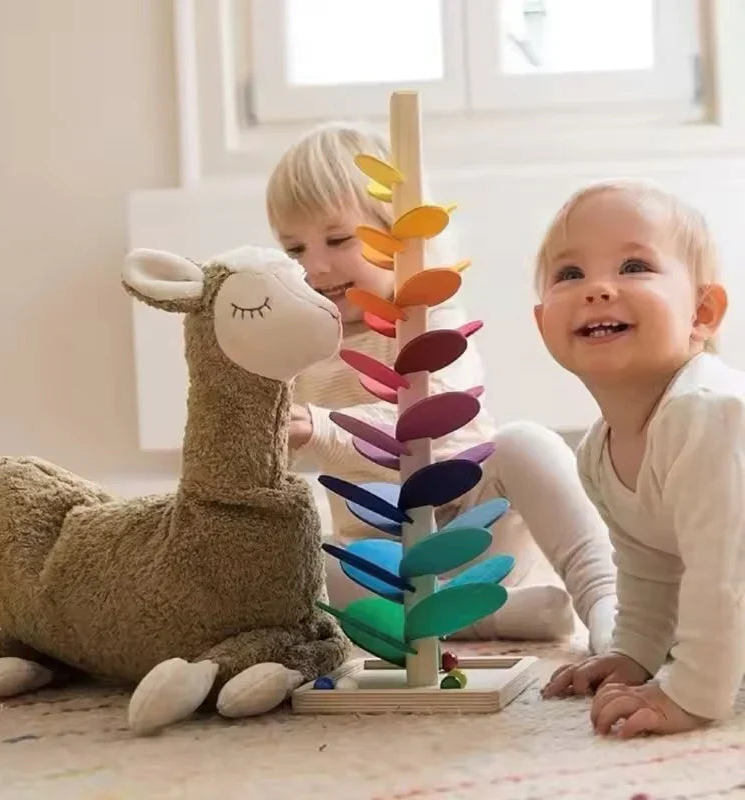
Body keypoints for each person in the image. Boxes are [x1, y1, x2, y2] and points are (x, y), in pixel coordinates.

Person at [265, 121, 617, 651]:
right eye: (294, 250)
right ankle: (486, 617)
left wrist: (321, 426)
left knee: (526, 443)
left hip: (476, 527)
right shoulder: (302, 348)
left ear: (397, 232)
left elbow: (437, 433)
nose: (316, 266)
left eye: (338, 239)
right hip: (386, 562)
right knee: (294, 563)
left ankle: (604, 597)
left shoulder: (431, 316)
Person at [536, 179, 745, 738]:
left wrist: (692, 694)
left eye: (634, 266)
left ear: (702, 313)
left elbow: (722, 575)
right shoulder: (597, 453)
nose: (598, 289)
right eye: (570, 274)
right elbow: (650, 565)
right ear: (541, 324)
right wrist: (635, 654)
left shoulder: (708, 415)